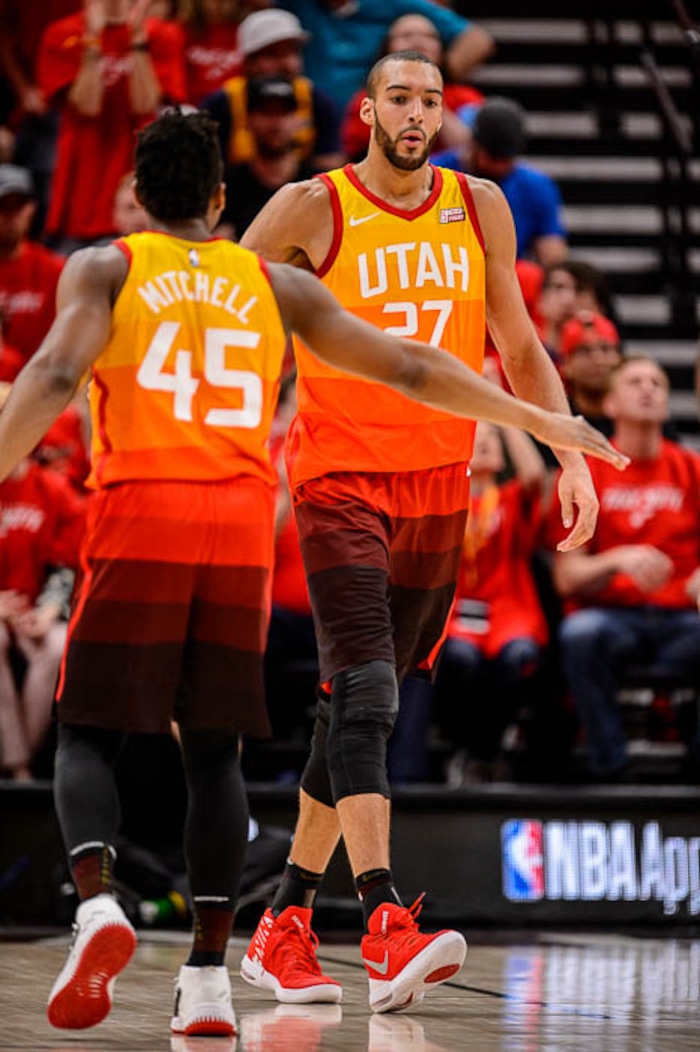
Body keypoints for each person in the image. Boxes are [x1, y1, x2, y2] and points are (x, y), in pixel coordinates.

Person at [0, 106, 621, 1035]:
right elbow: (412, 365)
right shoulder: (269, 285)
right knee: (226, 750)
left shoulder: (107, 264)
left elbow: (48, 381)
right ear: (221, 198)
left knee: (90, 730)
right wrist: (543, 423)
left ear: (136, 198)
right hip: (246, 528)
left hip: (143, 508)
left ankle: (106, 900)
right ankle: (228, 973)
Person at [237, 50, 625, 1013]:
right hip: (336, 478)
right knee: (364, 692)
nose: (416, 114)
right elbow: (226, 314)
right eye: (400, 98)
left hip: (438, 488)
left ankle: (283, 922)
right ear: (367, 109)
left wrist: (567, 451)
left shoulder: (480, 204)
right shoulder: (308, 206)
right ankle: (382, 923)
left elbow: (519, 342)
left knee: (355, 708)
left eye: (432, 102)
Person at [551, 356, 700, 780]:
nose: (649, 388)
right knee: (580, 634)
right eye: (636, 381)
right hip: (614, 620)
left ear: (669, 404)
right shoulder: (589, 472)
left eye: (658, 381)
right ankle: (610, 767)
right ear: (611, 404)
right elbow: (566, 578)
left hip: (680, 620)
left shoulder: (692, 469)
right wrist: (620, 558)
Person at [36, 0, 186, 250]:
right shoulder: (62, 33)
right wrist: (93, 39)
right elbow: (87, 105)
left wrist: (137, 39)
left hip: (139, 182)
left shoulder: (163, 34)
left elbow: (145, 103)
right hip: (81, 192)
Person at [276, 0, 494, 114]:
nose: (418, 41)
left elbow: (477, 40)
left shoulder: (393, 4)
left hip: (383, 112)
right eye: (407, 36)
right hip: (305, 122)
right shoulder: (296, 4)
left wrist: (429, 81)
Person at [201, 7, 343, 174]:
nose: (287, 64)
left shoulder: (318, 102)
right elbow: (206, 173)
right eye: (274, 55)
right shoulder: (221, 105)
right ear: (248, 62)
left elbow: (331, 166)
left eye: (292, 53)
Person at [433, 95, 568, 266]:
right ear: (473, 144)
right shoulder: (434, 175)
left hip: (505, 273)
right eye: (492, 158)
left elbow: (553, 256)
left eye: (506, 159)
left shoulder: (536, 186)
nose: (498, 167)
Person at [340, 11, 484, 162]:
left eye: (429, 36)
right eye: (406, 36)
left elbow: (470, 151)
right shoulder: (369, 98)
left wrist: (432, 99)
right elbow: (361, 153)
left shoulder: (466, 97)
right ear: (387, 48)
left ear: (442, 50)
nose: (418, 41)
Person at [219, 75, 316, 240]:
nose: (275, 123)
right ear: (247, 120)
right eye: (266, 113)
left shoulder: (317, 183)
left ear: (299, 120)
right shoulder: (227, 186)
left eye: (283, 113)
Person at [0, 163, 64, 366]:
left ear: (31, 209)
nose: (10, 216)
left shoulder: (55, 270)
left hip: (38, 385)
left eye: (17, 206)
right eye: (3, 207)